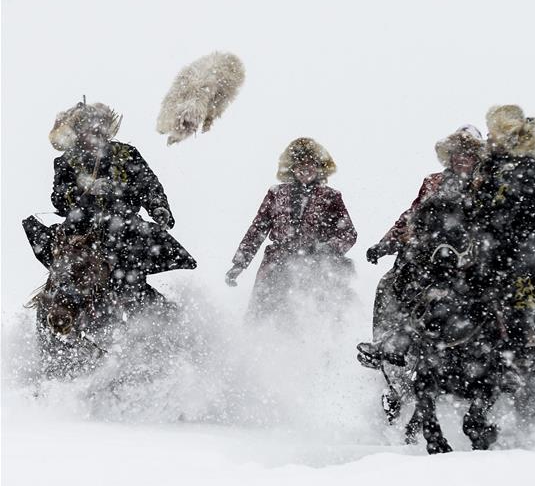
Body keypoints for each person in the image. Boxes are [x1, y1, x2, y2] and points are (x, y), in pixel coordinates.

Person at [359, 126, 486, 426]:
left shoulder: (486, 185)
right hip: (427, 255)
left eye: (469, 154)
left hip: (467, 257)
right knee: (389, 283)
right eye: (458, 153)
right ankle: (387, 344)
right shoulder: (433, 182)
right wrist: (386, 243)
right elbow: (410, 216)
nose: (462, 159)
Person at [473, 104, 535, 438]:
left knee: (517, 316)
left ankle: (518, 368)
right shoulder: (485, 165)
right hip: (479, 254)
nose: (488, 138)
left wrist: (490, 237)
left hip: (515, 258)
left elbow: (512, 213)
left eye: (493, 133)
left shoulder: (526, 169)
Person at [41, 98, 195, 302]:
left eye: (100, 126)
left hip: (124, 228)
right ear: (79, 131)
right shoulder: (66, 161)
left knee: (132, 273)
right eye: (90, 127)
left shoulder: (126, 154)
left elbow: (148, 184)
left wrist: (158, 207)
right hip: (81, 229)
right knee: (61, 270)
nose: (97, 132)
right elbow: (59, 199)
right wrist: (85, 190)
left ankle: (139, 303)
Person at [225, 138, 357, 324]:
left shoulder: (331, 197)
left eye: (310, 164)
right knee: (262, 319)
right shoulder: (276, 193)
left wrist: (326, 249)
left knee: (308, 321)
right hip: (275, 265)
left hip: (313, 268)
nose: (305, 169)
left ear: (318, 167)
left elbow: (348, 233)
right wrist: (240, 263)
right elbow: (257, 229)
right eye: (299, 165)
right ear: (292, 168)